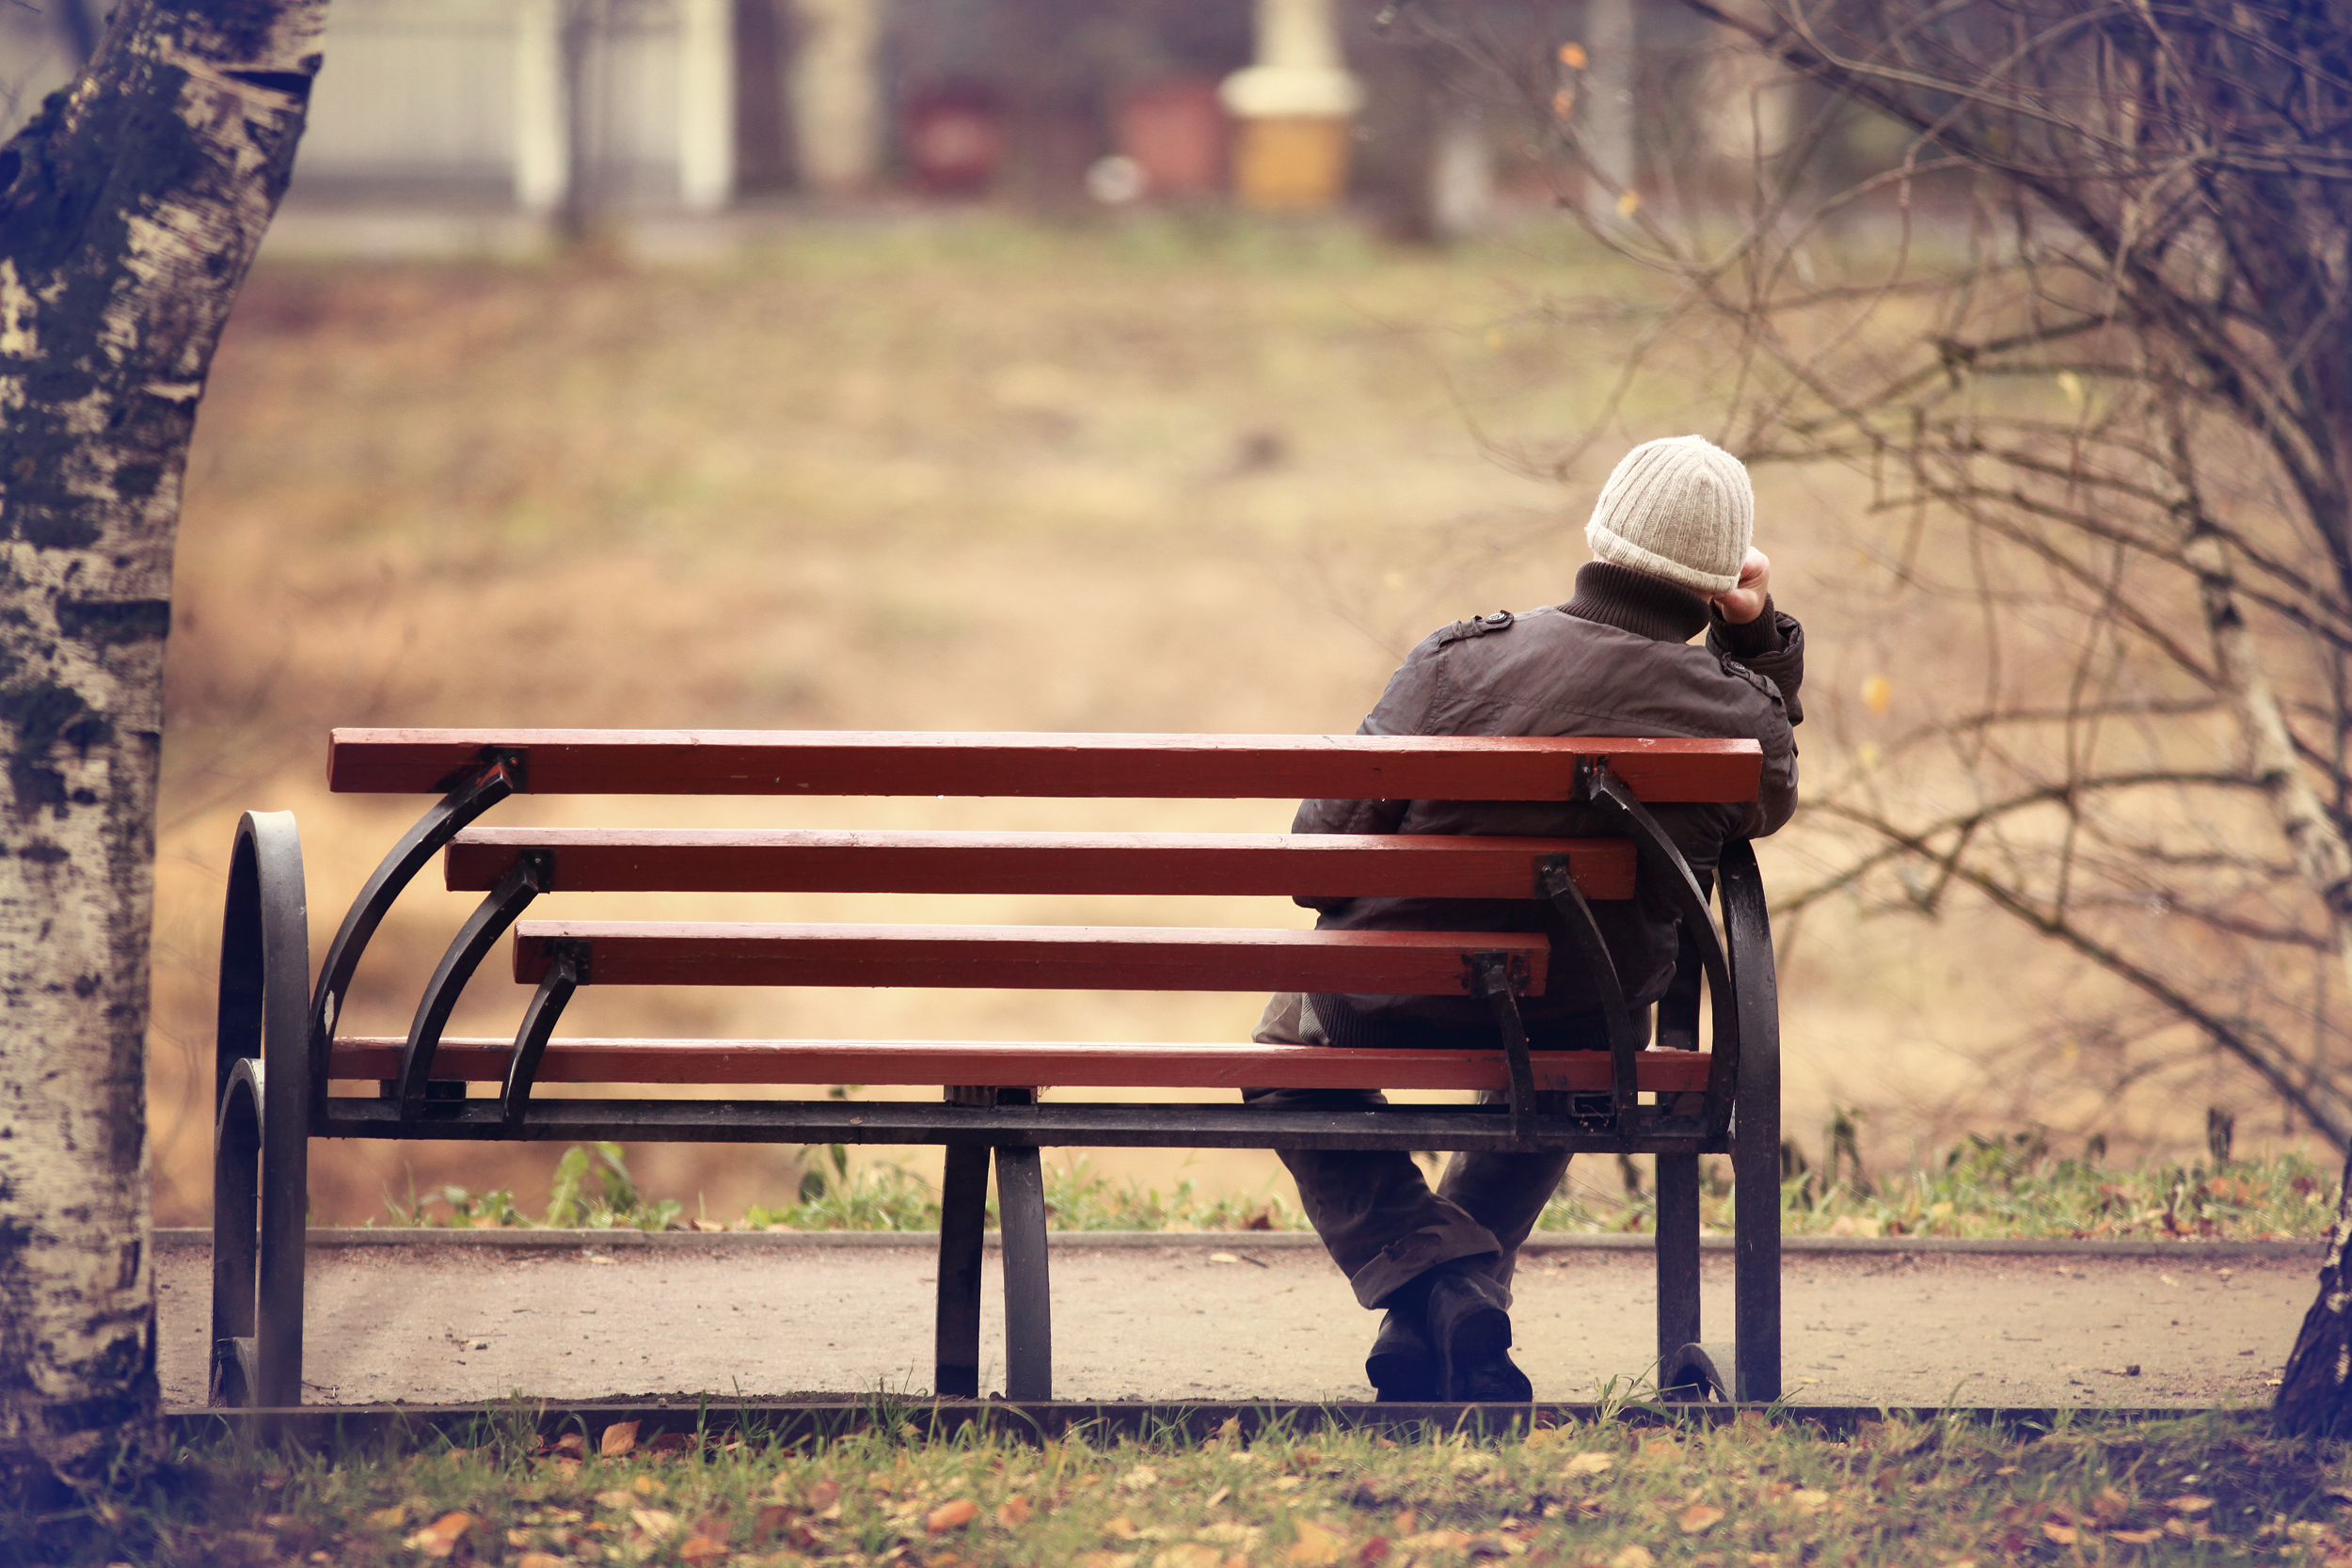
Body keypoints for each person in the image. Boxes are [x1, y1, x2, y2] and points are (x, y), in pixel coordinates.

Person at [1247, 434, 1804, 1401]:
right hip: (1586, 1022)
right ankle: (1458, 1292)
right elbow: (1769, 788)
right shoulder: (1735, 716)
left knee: (1283, 1057)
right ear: (1717, 583)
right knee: (1575, 1053)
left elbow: (1316, 858)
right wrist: (1752, 641)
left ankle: (1439, 1285)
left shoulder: (1459, 662)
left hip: (1387, 1000)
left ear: (1598, 535)